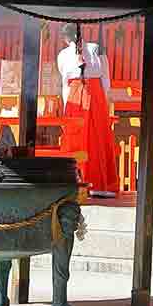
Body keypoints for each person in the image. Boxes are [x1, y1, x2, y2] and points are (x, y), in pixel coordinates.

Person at [56, 28, 121, 195]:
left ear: (65, 38)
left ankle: (73, 182)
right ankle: (100, 184)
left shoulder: (63, 55)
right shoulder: (97, 48)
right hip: (95, 94)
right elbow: (105, 79)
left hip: (74, 96)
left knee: (75, 138)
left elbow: (64, 82)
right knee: (97, 137)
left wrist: (65, 106)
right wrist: (102, 100)